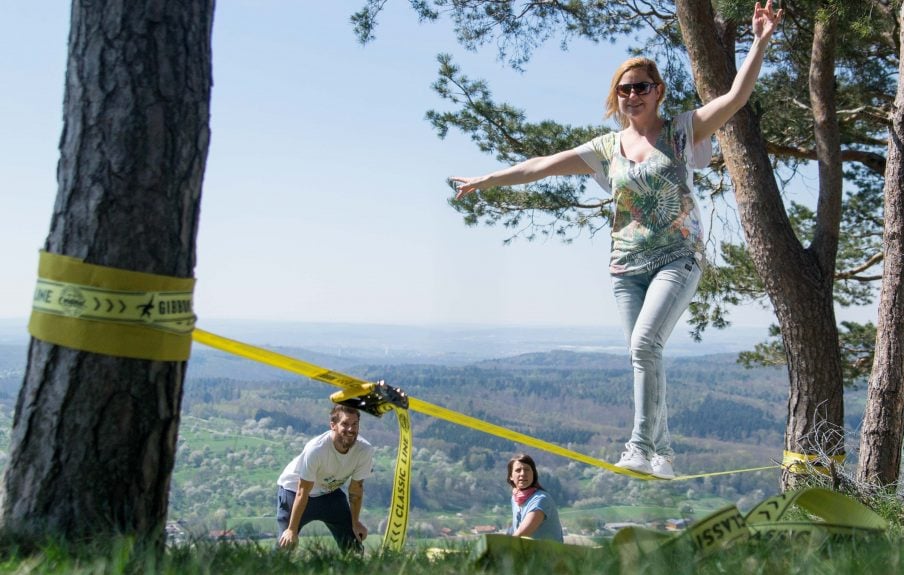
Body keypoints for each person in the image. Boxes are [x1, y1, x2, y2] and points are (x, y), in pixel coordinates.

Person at [451, 3, 783, 479]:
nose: (632, 96)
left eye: (641, 87)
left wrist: (761, 41)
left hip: (678, 257)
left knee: (644, 344)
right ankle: (663, 455)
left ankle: (640, 445)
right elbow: (539, 166)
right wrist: (486, 180)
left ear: (658, 92)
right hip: (626, 268)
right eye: (624, 90)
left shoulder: (682, 131)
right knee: (644, 355)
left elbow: (734, 98)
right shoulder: (607, 149)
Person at [276, 404, 373, 552]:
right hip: (295, 492)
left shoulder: (364, 450)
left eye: (355, 424)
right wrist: (291, 529)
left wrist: (355, 522)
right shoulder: (317, 449)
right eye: (345, 424)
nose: (351, 429)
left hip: (329, 494)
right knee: (285, 546)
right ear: (333, 425)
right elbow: (303, 491)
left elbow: (356, 489)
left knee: (353, 545)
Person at [506, 453, 563, 542]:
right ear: (511, 476)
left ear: (533, 474)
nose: (523, 473)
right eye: (518, 470)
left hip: (549, 555)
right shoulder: (515, 499)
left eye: (527, 469)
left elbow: (522, 534)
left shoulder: (541, 499)